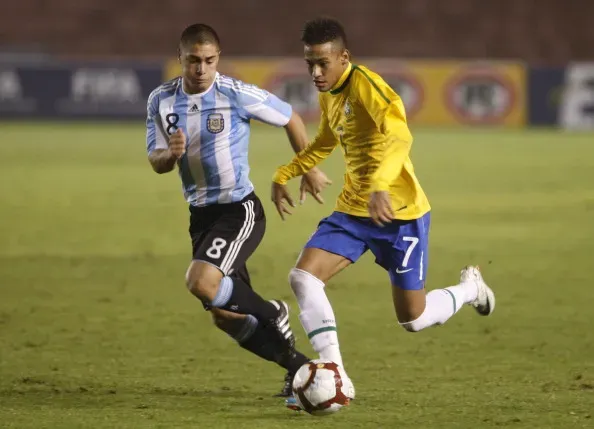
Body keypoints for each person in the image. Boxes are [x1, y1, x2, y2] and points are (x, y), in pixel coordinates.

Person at [270, 17, 496, 406]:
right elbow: (325, 140)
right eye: (309, 64)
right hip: (353, 212)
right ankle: (335, 375)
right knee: (303, 278)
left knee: (413, 318)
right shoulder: (330, 93)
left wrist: (379, 186)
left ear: (345, 57)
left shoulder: (368, 87)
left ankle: (470, 288)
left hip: (400, 214)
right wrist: (287, 172)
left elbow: (399, 136)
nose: (315, 73)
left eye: (323, 63)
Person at [146, 23, 331, 396]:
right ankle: (299, 370)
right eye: (193, 61)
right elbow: (156, 159)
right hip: (201, 217)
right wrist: (172, 154)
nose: (201, 69)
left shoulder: (234, 93)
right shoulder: (161, 100)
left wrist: (307, 167)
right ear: (180, 58)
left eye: (209, 61)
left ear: (218, 59)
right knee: (225, 314)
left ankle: (273, 312)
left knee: (200, 282)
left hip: (238, 210)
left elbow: (290, 117)